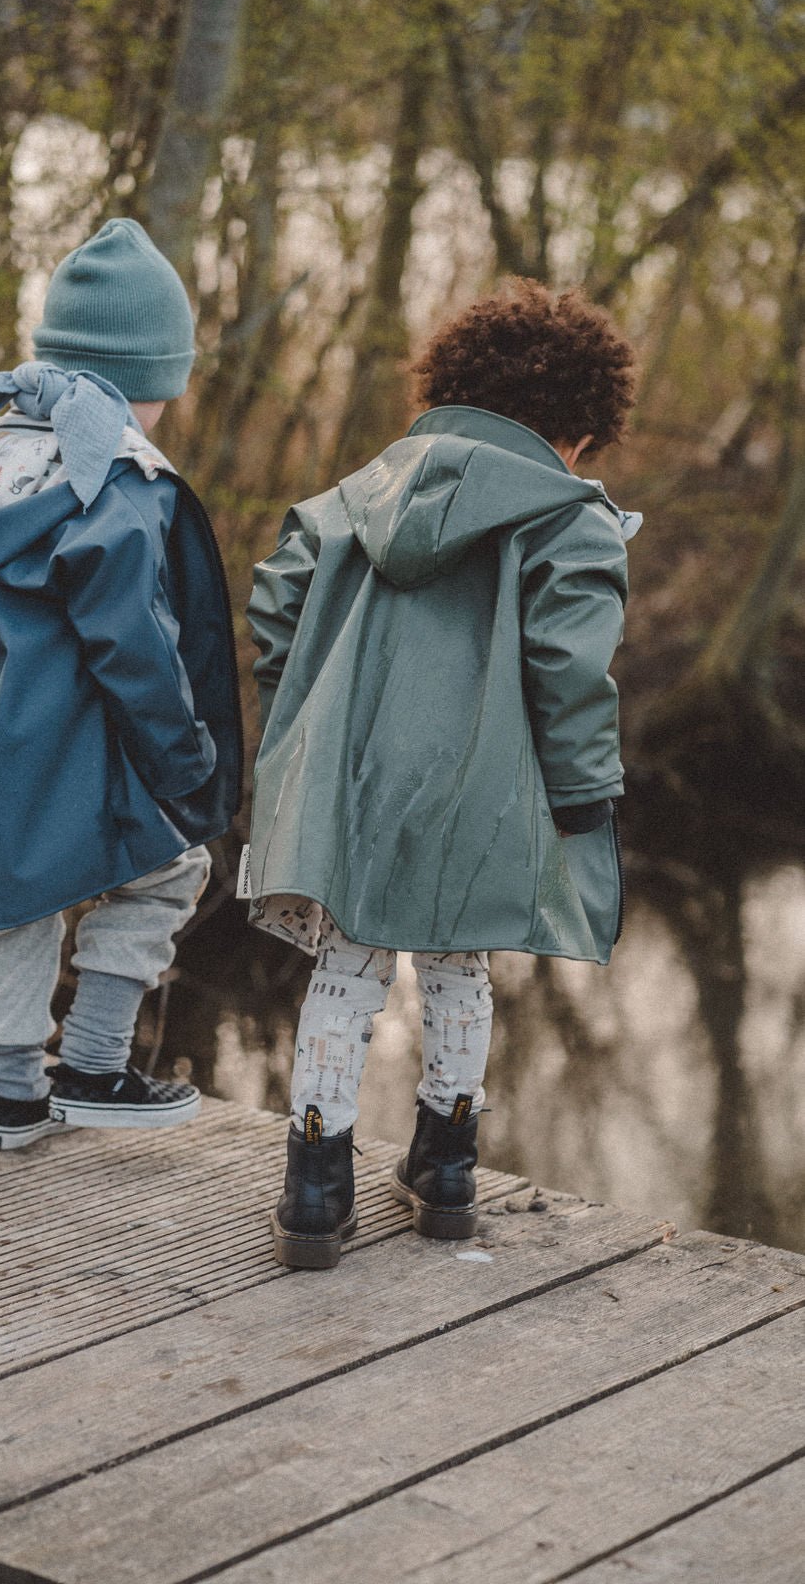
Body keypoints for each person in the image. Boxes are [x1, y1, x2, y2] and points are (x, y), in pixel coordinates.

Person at [246, 279, 640, 1268]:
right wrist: (583, 798)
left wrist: (306, 725)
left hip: (349, 781)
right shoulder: (569, 517)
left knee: (343, 974)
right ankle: (446, 1169)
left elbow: (273, 614)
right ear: (578, 433)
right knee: (462, 970)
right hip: (482, 788)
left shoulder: (351, 497)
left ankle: (313, 1188)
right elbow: (568, 671)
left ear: (449, 388)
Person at [0, 219, 242, 1150]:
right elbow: (135, 647)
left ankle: (11, 1098)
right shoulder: (113, 482)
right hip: (69, 751)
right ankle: (96, 1068)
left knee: (8, 898)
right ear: (153, 377)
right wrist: (185, 762)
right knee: (173, 863)